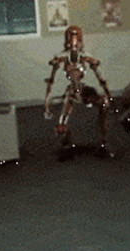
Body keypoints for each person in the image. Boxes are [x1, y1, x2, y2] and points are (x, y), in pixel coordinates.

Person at [44, 26, 113, 160]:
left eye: (76, 37)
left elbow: (99, 75)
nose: (74, 42)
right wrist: (47, 104)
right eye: (71, 37)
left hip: (84, 90)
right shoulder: (62, 57)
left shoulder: (85, 56)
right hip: (71, 92)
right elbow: (51, 80)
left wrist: (108, 95)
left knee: (104, 104)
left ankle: (104, 142)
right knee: (63, 117)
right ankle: (66, 144)